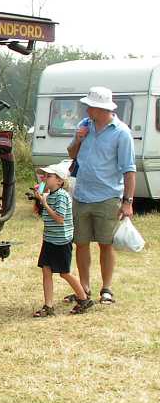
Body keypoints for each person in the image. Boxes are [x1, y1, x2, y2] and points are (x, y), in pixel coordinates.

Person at [66, 86, 136, 305]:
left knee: (105, 243)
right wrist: (78, 139)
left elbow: (129, 169)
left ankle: (107, 289)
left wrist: (127, 202)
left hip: (108, 196)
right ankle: (84, 288)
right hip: (82, 194)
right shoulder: (84, 126)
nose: (87, 110)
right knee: (81, 242)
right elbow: (71, 154)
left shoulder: (121, 133)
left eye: (90, 107)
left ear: (101, 108)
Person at [33, 163, 94, 317]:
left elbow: (59, 218)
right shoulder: (50, 195)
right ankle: (48, 306)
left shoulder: (61, 196)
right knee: (46, 270)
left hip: (60, 242)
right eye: (44, 176)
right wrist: (39, 200)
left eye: (49, 176)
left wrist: (45, 203)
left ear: (59, 181)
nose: (45, 179)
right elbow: (43, 215)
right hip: (50, 240)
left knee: (64, 273)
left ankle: (84, 299)